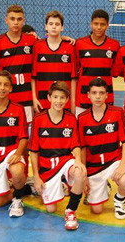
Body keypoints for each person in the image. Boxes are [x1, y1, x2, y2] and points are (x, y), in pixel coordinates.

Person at [28, 82, 86, 230]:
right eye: (55, 97)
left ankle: (70, 210)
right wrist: (36, 176)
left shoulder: (71, 118)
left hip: (65, 160)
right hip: (47, 166)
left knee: (80, 173)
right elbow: (33, 150)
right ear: (49, 98)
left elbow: (76, 145)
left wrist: (78, 161)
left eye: (62, 98)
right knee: (51, 209)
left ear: (67, 99)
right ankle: (54, 185)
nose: (58, 101)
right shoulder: (39, 119)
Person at [78, 78, 125, 218]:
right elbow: (82, 148)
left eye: (101, 93)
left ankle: (119, 199)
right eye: (94, 93)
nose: (98, 96)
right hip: (93, 166)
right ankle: (104, 187)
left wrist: (122, 165)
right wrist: (84, 176)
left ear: (107, 95)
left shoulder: (117, 112)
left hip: (112, 161)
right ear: (88, 94)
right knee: (96, 210)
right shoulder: (82, 118)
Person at [0, 71, 30, 218]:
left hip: (11, 152)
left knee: (17, 171)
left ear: (11, 88)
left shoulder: (18, 109)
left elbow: (23, 137)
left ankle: (17, 199)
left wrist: (18, 153)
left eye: (6, 85)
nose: (2, 88)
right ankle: (24, 189)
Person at [0, 5, 37, 123]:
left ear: (23, 21)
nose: (16, 22)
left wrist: (63, 37)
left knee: (26, 136)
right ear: (6, 20)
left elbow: (49, 43)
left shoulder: (32, 41)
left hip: (27, 99)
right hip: (7, 99)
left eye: (19, 19)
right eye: (12, 19)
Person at [74, 10, 120, 116]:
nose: (99, 27)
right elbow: (75, 70)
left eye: (102, 24)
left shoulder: (114, 45)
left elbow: (115, 71)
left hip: (105, 98)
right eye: (96, 24)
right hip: (83, 97)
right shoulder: (80, 43)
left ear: (107, 25)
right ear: (91, 24)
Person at [31, 10, 77, 114]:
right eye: (51, 24)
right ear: (46, 26)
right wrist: (34, 98)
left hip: (63, 102)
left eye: (57, 24)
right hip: (42, 101)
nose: (54, 27)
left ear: (62, 27)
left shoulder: (70, 47)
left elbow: (73, 78)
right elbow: (33, 77)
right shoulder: (37, 46)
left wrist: (73, 102)